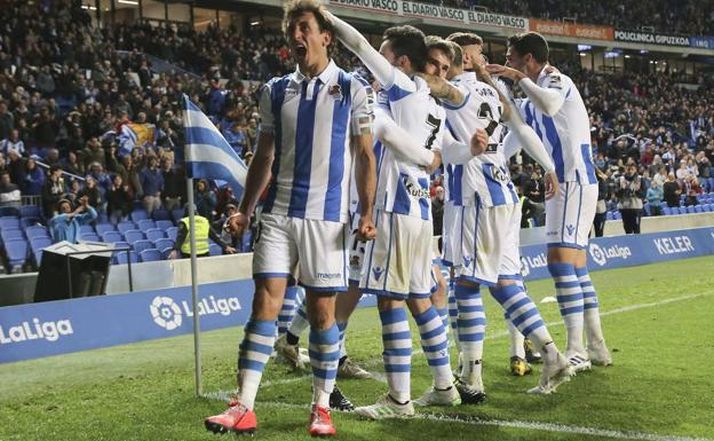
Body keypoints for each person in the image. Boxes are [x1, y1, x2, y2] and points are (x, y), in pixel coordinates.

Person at [204, 1, 377, 437]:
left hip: (327, 218)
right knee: (266, 299)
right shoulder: (274, 90)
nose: (296, 37)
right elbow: (264, 155)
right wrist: (245, 208)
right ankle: (243, 404)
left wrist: (368, 211)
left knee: (322, 312)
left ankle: (321, 407)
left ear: (325, 37)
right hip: (278, 213)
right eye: (291, 31)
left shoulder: (354, 88)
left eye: (304, 28)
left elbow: (365, 155)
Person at [422, 32, 571, 396]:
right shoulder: (492, 93)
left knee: (467, 284)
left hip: (476, 198)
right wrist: (549, 167)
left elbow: (441, 89)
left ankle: (471, 380)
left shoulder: (461, 91)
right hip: (501, 194)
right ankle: (552, 355)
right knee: (505, 284)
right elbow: (516, 123)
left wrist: (398, 71)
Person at [488, 31, 612, 371]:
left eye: (512, 58)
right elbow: (517, 135)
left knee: (559, 262)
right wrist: (491, 159)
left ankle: (577, 350)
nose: (509, 62)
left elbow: (551, 104)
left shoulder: (557, 81)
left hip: (573, 179)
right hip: (567, 183)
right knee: (574, 265)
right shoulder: (531, 99)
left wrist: (516, 78)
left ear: (528, 59)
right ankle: (596, 345)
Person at [169, 205, 235, 259]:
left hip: (189, 254)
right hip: (204, 253)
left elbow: (180, 238)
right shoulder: (204, 221)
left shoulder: (185, 222)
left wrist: (174, 250)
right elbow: (214, 237)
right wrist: (226, 247)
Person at [617, 163, 643, 234]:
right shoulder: (621, 179)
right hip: (625, 208)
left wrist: (637, 191)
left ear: (635, 170)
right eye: (628, 169)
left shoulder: (640, 179)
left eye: (632, 169)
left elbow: (643, 194)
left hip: (636, 207)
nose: (630, 171)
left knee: (636, 229)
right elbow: (617, 194)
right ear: (625, 170)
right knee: (627, 230)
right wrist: (622, 189)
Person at [593, 169, 610, 236]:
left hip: (599, 210)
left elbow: (603, 194)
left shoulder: (601, 181)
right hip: (589, 210)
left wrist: (592, 195)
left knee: (599, 232)